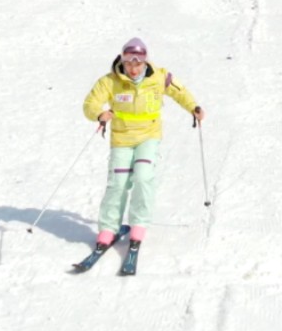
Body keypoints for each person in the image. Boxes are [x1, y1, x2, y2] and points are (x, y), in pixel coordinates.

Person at [81, 37, 204, 262]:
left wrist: (193, 107)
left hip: (149, 135)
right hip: (122, 138)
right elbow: (90, 104)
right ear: (122, 61)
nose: (133, 68)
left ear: (145, 62)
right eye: (129, 62)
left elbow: (180, 92)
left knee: (143, 176)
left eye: (138, 63)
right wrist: (99, 114)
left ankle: (138, 225)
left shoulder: (159, 77)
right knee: (117, 183)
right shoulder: (109, 81)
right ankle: (109, 229)